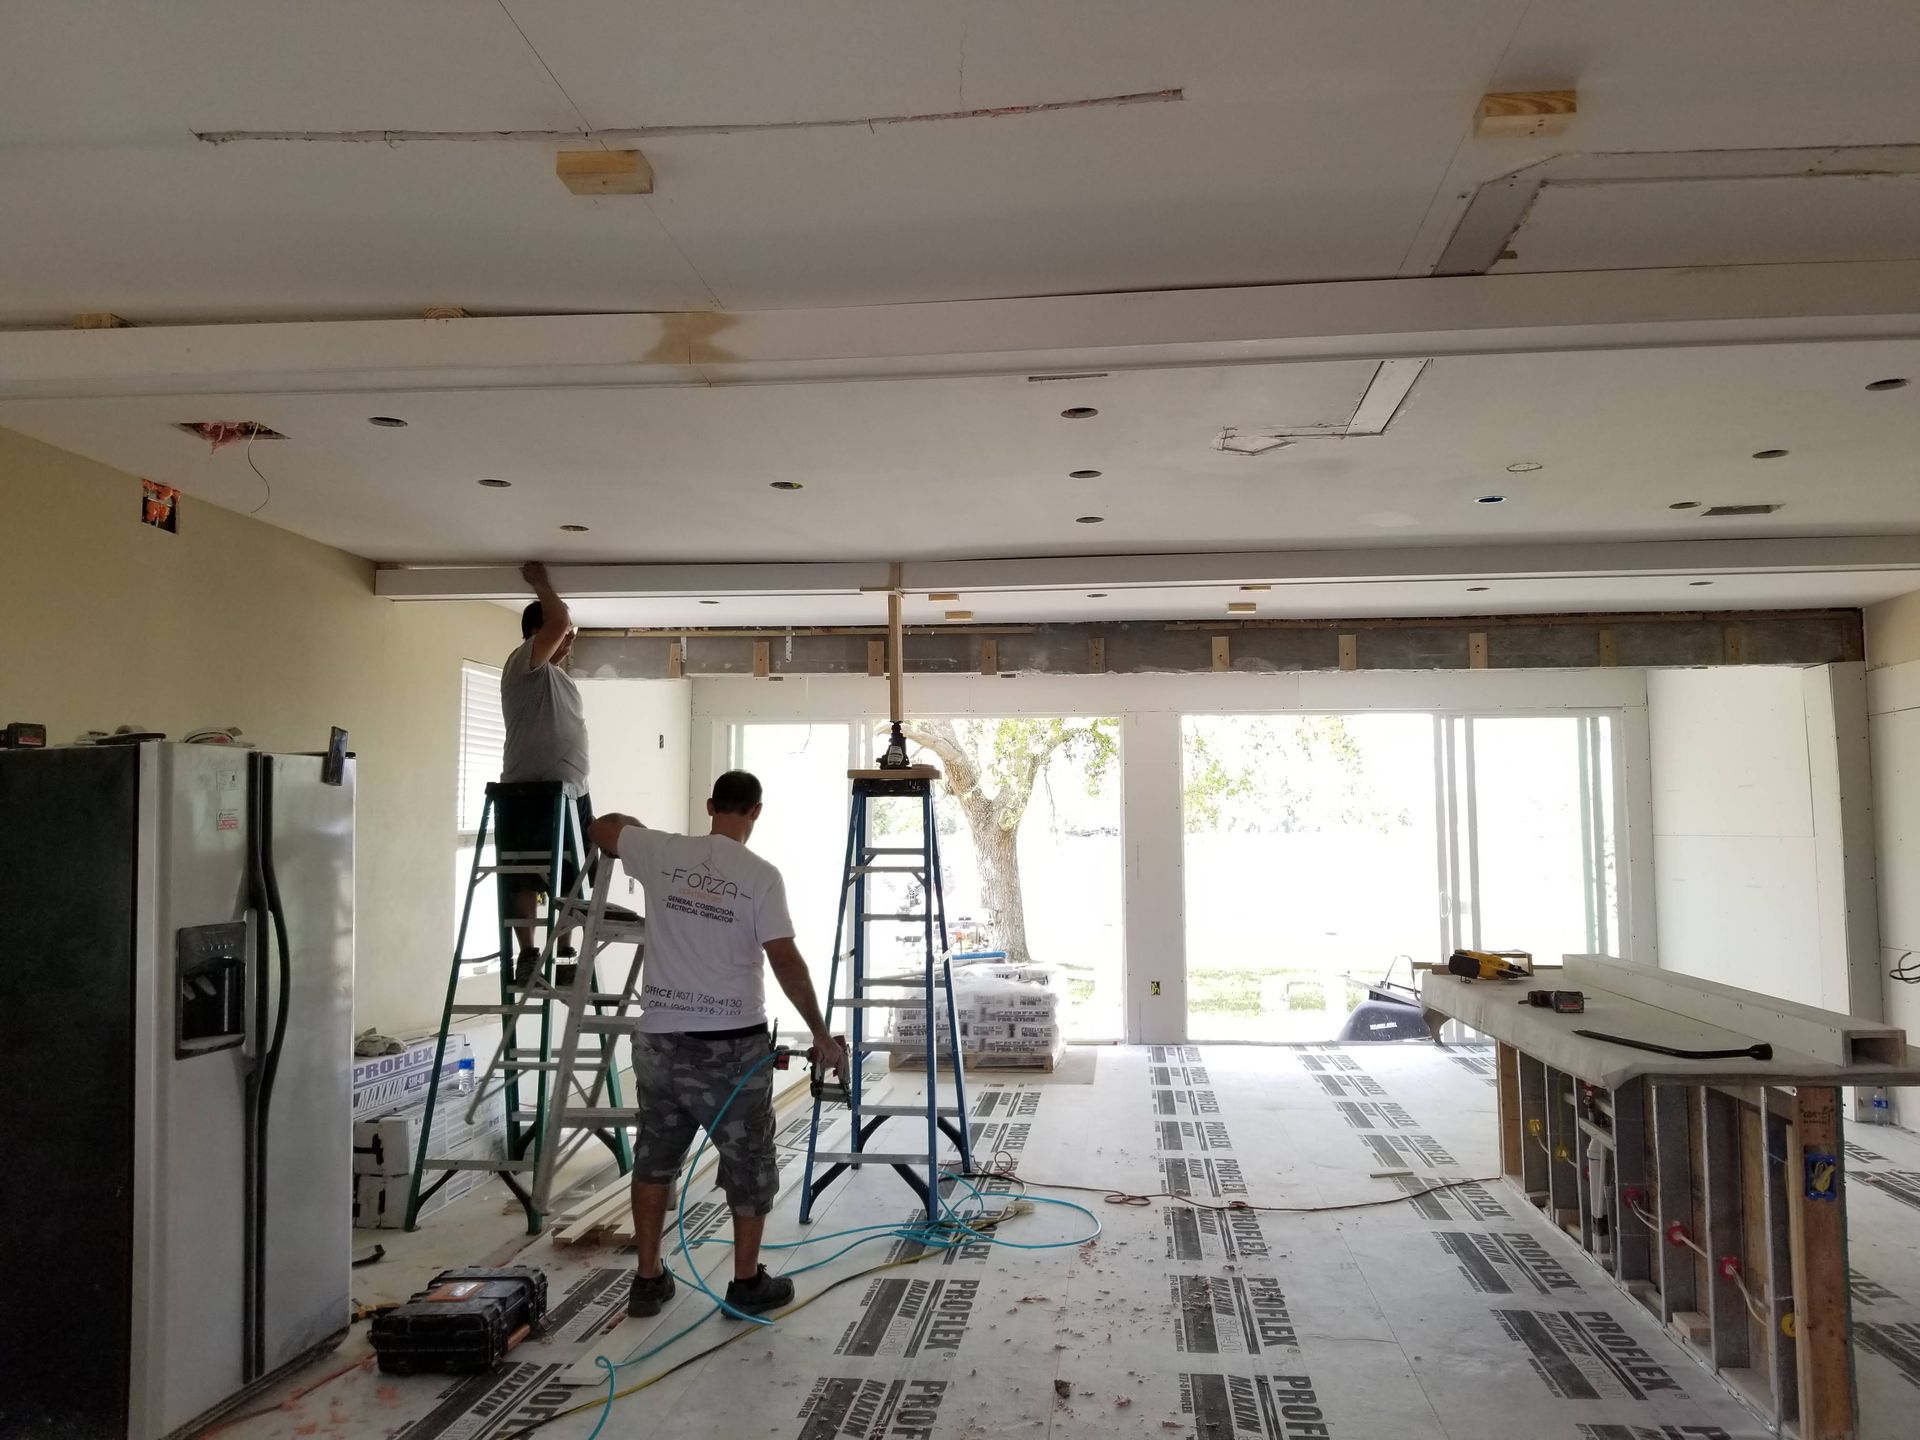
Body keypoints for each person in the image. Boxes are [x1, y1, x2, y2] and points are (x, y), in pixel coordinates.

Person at [588, 771, 850, 1318]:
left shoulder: (660, 851)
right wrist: (820, 1032)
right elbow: (784, 960)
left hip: (658, 1044)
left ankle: (647, 1279)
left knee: (654, 1159)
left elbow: (602, 827)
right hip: (730, 1049)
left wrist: (638, 832)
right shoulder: (761, 875)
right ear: (756, 811)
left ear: (710, 805)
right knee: (749, 1164)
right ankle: (746, 1283)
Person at [498, 561, 591, 987]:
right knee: (524, 874)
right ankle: (529, 954)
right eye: (565, 634)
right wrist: (540, 583)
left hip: (573, 794)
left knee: (573, 878)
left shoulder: (558, 678)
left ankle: (565, 953)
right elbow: (560, 619)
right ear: (539, 634)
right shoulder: (525, 664)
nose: (569, 639)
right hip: (532, 793)